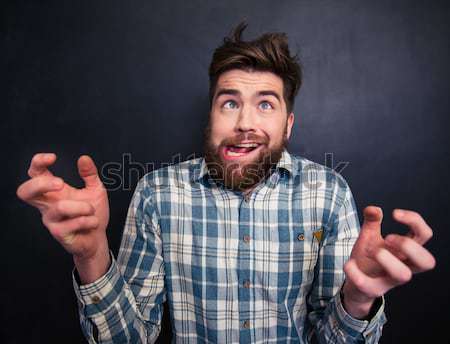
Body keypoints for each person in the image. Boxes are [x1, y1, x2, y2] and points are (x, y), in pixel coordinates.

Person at [16, 22, 436, 343]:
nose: (245, 124)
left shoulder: (328, 194)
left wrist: (357, 301)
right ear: (211, 117)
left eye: (265, 104)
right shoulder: (156, 194)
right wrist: (91, 257)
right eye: (230, 102)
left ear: (288, 125)